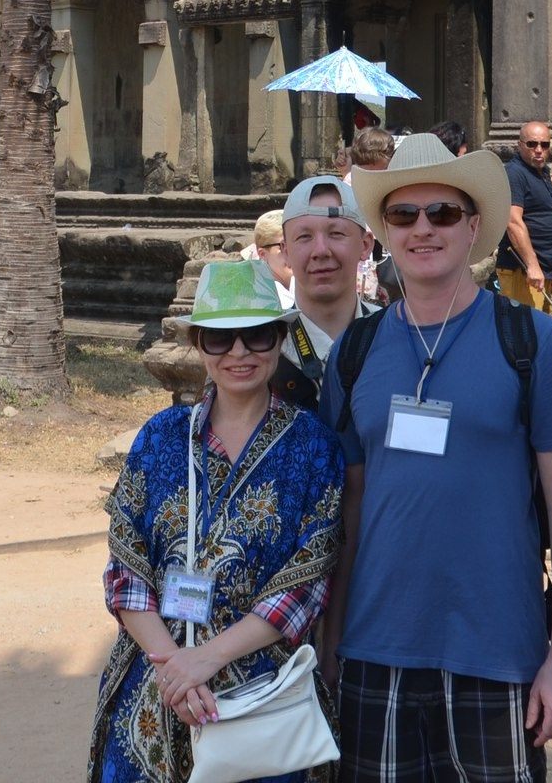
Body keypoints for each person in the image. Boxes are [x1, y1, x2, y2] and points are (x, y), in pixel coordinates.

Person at [324, 133, 552, 783]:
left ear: (473, 226)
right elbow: (350, 508)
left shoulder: (530, 340)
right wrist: (331, 640)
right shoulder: (353, 352)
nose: (423, 228)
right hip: (375, 645)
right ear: (384, 232)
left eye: (442, 212)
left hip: (498, 646)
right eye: (403, 214)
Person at [94, 258, 345, 783]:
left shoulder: (314, 447)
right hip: (153, 683)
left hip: (261, 692)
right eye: (219, 338)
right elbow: (126, 567)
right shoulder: (161, 436)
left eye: (257, 335)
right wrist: (175, 667)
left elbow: (305, 581)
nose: (239, 353)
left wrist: (206, 659)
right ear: (199, 345)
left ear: (280, 339)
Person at [273, 174, 379, 411]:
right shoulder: (264, 347)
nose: (320, 251)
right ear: (285, 252)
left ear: (365, 245)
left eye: (336, 234)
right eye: (304, 237)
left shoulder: (393, 337)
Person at [497, 121, 552, 315]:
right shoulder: (515, 173)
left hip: (544, 272)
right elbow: (513, 222)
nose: (538, 150)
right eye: (532, 144)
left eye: (544, 145)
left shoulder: (542, 173)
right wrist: (532, 265)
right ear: (520, 145)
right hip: (523, 271)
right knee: (524, 329)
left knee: (543, 329)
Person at [343, 126, 401, 304]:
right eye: (367, 171)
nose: (375, 177)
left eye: (381, 171)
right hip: (364, 248)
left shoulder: (394, 178)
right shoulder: (351, 181)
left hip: (387, 246)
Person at [253, 209, 297, 307]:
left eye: (297, 243)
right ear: (262, 255)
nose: (292, 253)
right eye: (282, 246)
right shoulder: (261, 299)